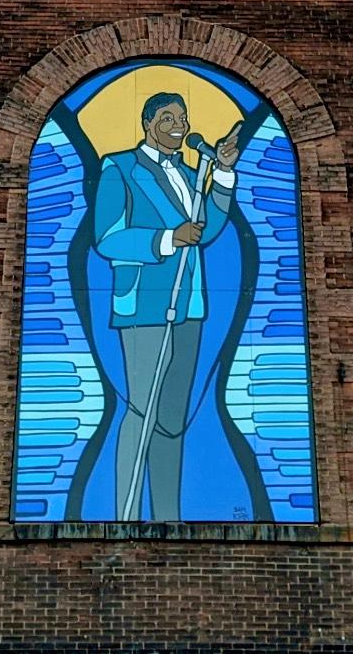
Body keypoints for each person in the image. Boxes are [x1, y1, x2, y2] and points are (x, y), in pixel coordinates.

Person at [91, 93, 242, 521]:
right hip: (144, 305)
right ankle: (124, 515)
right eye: (167, 117)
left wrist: (224, 174)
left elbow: (206, 230)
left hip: (188, 304)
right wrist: (166, 239)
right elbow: (108, 237)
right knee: (142, 409)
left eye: (183, 117)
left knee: (172, 419)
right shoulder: (118, 168)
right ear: (146, 122)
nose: (178, 124)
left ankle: (167, 518)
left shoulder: (192, 173)